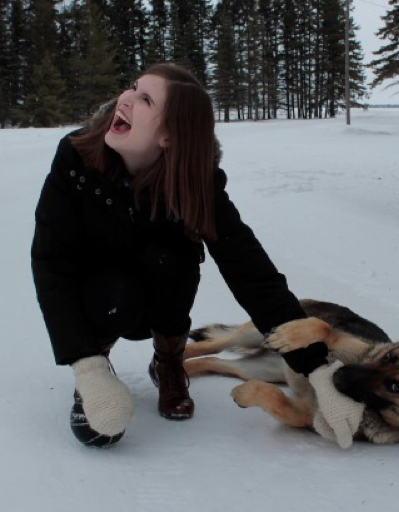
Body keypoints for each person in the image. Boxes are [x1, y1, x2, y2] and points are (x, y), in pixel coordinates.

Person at [31, 63, 328, 448]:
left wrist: (317, 369)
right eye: (133, 88)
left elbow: (251, 271)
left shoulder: (196, 178)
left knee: (171, 261)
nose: (125, 100)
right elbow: (51, 262)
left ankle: (170, 361)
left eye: (145, 100)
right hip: (106, 294)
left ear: (169, 135)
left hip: (164, 293)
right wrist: (86, 367)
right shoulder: (77, 160)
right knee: (111, 293)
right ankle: (99, 368)